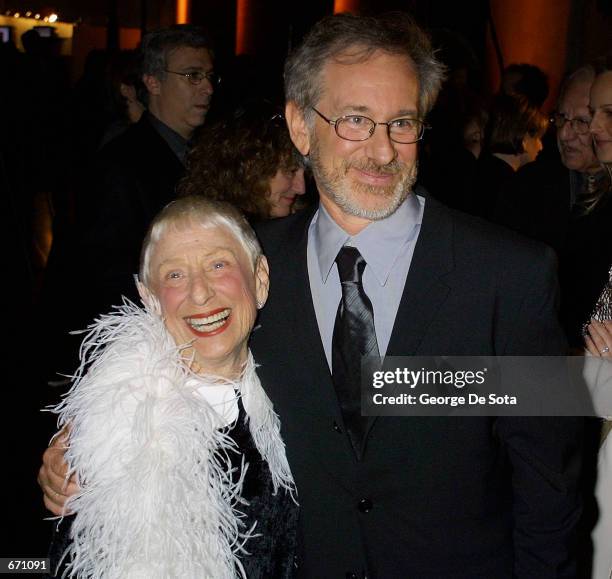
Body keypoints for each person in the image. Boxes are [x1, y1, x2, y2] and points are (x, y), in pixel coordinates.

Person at [40, 13, 583, 577]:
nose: (382, 152)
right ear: (300, 126)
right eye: (355, 121)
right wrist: (83, 440)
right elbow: (161, 367)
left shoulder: (511, 274)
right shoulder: (249, 274)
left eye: (401, 123)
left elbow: (550, 488)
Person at [44, 196, 296, 578]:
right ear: (149, 298)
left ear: (260, 279)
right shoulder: (115, 435)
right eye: (175, 275)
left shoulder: (297, 386)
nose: (199, 293)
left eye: (218, 264)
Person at [40, 24, 217, 379]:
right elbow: (105, 279)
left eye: (210, 76)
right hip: (144, 355)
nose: (207, 88)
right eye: (191, 76)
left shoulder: (201, 153)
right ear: (152, 82)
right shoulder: (120, 164)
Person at [178, 100, 306, 220]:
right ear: (250, 168)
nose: (301, 188)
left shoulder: (298, 226)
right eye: (291, 171)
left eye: (304, 173)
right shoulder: (208, 231)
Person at [471, 93, 547, 219]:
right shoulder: (511, 188)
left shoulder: (482, 169)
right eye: (538, 138)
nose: (541, 146)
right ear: (525, 138)